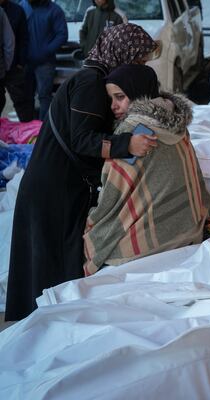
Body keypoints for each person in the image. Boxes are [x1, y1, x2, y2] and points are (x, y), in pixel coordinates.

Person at [5, 23, 159, 321]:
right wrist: (128, 144)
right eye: (137, 59)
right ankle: (50, 324)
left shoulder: (96, 77)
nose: (139, 66)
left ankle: (47, 321)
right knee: (53, 261)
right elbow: (82, 139)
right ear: (122, 53)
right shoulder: (91, 83)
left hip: (57, 181)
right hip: (55, 185)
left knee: (50, 259)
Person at [83, 64, 209, 274]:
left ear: (137, 91)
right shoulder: (175, 122)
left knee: (93, 236)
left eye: (120, 97)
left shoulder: (133, 131)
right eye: (111, 99)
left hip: (149, 243)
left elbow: (111, 197)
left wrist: (92, 222)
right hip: (187, 226)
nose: (113, 106)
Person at [19, 0, 67, 121]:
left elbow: (62, 35)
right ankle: (27, 128)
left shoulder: (54, 10)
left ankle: (43, 128)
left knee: (44, 96)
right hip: (24, 62)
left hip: (45, 63)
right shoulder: (22, 6)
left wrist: (45, 51)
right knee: (25, 97)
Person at [0, 0, 28, 121]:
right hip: (4, 65)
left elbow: (22, 38)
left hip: (14, 65)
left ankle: (27, 131)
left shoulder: (17, 10)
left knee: (21, 101)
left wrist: (20, 63)